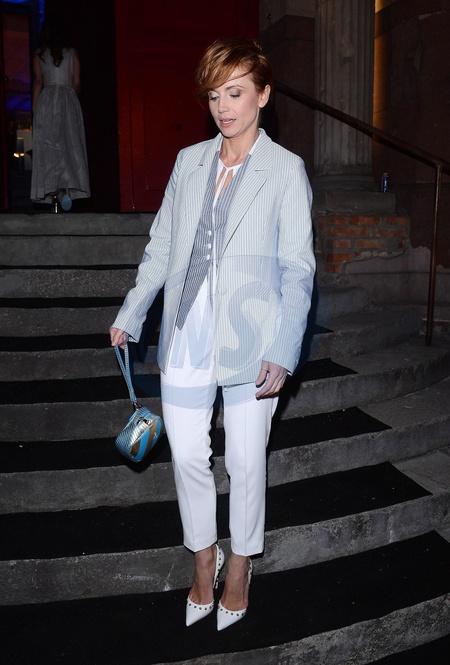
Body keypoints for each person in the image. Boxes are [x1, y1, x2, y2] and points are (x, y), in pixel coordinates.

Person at [110, 37, 315, 630]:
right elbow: (161, 247)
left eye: (235, 92)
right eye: (214, 95)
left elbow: (298, 269)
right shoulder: (189, 162)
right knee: (188, 458)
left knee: (246, 464)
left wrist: (283, 348)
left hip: (253, 338)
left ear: (263, 95)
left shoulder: (285, 171)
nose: (223, 106)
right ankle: (205, 558)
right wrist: (132, 311)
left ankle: (241, 565)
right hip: (186, 331)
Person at [30, 15, 90, 211]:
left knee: (49, 145)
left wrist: (35, 109)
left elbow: (38, 82)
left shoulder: (39, 54)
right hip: (67, 100)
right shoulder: (72, 53)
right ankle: (65, 189)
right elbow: (77, 83)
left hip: (47, 101)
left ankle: (53, 191)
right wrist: (71, 98)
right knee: (68, 144)